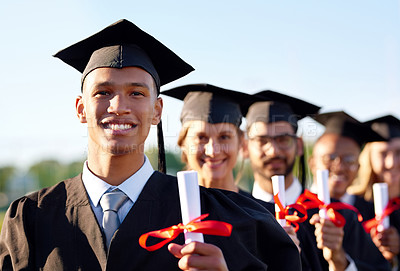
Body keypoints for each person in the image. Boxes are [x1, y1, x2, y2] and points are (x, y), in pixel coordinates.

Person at [0, 20, 300, 271]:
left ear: (157, 110)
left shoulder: (223, 218)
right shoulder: (32, 217)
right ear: (81, 109)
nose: (118, 106)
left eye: (137, 93)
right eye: (103, 92)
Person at [162, 83, 312, 269]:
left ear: (241, 143)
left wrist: (287, 258)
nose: (213, 150)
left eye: (224, 137)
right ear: (183, 143)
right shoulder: (159, 212)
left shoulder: (267, 218)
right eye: (201, 137)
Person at [244, 97, 391, 270]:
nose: (273, 150)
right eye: (262, 140)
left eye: (283, 139)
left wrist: (339, 260)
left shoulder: (339, 217)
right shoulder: (236, 214)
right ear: (245, 147)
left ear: (299, 145)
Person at [348, 114, 400, 268]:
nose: (391, 163)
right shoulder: (352, 205)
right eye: (383, 154)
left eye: (398, 153)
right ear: (369, 157)